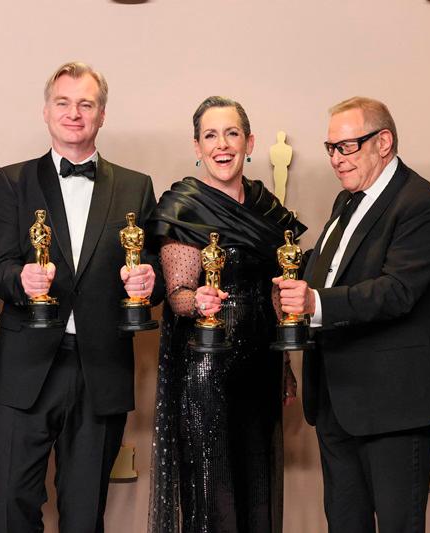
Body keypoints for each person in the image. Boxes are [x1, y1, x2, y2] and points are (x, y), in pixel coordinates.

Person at [0, 61, 164, 532]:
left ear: (102, 115)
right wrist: (20, 281)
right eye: (63, 103)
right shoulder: (11, 181)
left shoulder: (135, 186)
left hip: (99, 372)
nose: (74, 113)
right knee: (12, 512)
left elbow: (153, 278)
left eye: (86, 104)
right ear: (46, 111)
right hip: (23, 372)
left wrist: (150, 285)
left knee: (85, 517)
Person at [275, 96, 430, 532]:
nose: (337, 158)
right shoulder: (346, 201)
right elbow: (328, 270)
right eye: (331, 148)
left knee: (398, 525)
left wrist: (316, 303)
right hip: (337, 401)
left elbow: (398, 291)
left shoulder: (420, 203)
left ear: (384, 142)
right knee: (344, 524)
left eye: (348, 146)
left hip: (393, 405)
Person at [147, 96, 305, 533]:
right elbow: (177, 294)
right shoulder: (184, 206)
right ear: (197, 147)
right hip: (204, 373)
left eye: (232, 133)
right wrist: (196, 301)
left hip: (261, 370)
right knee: (213, 500)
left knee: (258, 493)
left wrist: (287, 367)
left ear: (249, 142)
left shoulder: (267, 208)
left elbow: (278, 289)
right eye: (211, 135)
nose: (222, 144)